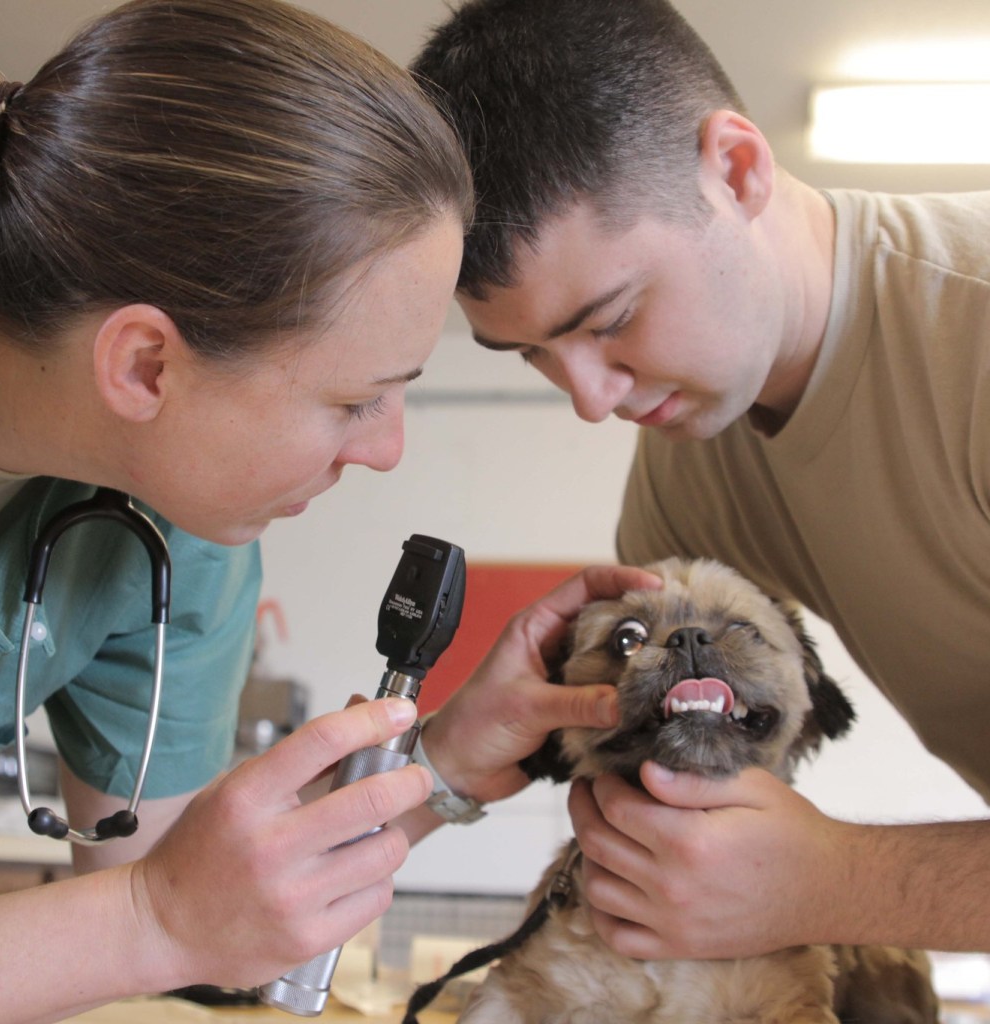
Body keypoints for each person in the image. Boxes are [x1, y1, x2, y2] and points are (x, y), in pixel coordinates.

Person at [0, 2, 657, 1020]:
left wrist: (440, 763)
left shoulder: (172, 528)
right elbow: (155, 918)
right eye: (353, 398)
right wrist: (147, 919)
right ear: (146, 363)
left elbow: (205, 911)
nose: (386, 449)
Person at [412, 0, 990, 962]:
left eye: (611, 318)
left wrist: (836, 884)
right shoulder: (688, 468)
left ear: (737, 170)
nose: (590, 401)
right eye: (533, 356)